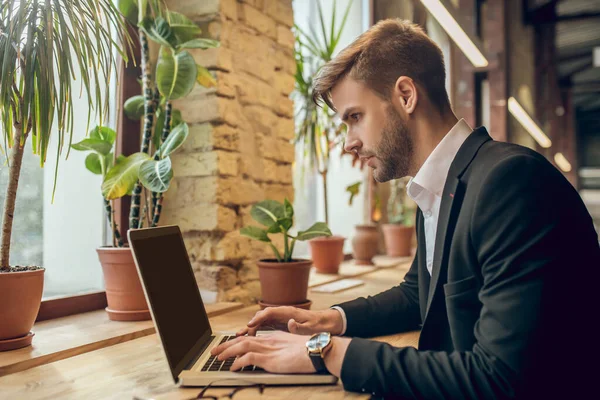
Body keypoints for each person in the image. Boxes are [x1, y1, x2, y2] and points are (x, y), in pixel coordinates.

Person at [212, 19, 600, 399]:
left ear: (406, 95)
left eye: (355, 117)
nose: (348, 142)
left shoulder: (510, 183)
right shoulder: (441, 186)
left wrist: (325, 350)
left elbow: (499, 378)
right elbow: (419, 295)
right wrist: (331, 319)